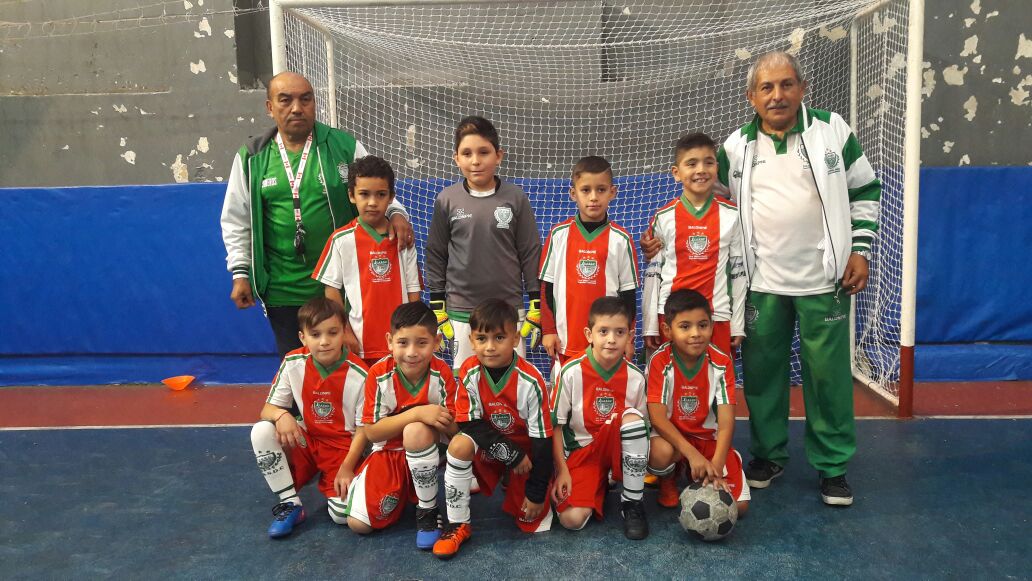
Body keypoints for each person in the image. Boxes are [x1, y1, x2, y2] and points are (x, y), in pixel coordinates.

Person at [643, 52, 881, 506]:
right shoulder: (735, 147)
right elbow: (705, 202)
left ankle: (832, 467)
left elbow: (865, 188)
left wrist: (860, 249)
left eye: (786, 84)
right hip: (760, 284)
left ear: (802, 88)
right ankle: (769, 456)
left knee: (828, 378)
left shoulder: (832, 130)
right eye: (766, 88)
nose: (777, 95)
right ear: (751, 96)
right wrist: (661, 240)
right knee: (762, 377)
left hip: (824, 281)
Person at [221, 71, 415, 359]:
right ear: (270, 107)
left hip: (341, 287)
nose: (296, 108)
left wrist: (397, 213)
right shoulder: (252, 156)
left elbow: (376, 186)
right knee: (297, 369)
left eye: (305, 99)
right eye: (285, 100)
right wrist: (240, 272)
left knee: (346, 368)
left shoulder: (343, 146)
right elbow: (237, 218)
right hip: (282, 288)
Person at [432, 299, 554, 560]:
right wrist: (510, 455)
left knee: (532, 523)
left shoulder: (531, 380)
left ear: (515, 338)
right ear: (471, 341)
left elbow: (543, 441)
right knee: (459, 445)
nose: (489, 346)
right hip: (494, 450)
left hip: (526, 457)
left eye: (499, 337)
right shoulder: (469, 370)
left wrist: (536, 493)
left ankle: (515, 482)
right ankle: (458, 524)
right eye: (481, 338)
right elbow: (469, 423)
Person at [424, 116, 542, 371]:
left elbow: (530, 252)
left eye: (484, 152)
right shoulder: (446, 200)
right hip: (461, 311)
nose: (475, 160)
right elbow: (436, 253)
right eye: (467, 153)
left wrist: (536, 303)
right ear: (456, 158)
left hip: (508, 309)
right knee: (466, 382)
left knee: (512, 383)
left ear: (498, 156)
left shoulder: (516, 198)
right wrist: (437, 306)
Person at [248, 297, 369, 538]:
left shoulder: (361, 374)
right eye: (315, 334)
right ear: (303, 337)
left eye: (332, 332)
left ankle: (339, 478)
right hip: (308, 441)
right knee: (262, 430)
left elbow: (363, 430)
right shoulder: (293, 362)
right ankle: (290, 503)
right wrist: (282, 414)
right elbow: (267, 409)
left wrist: (347, 467)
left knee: (342, 516)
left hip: (342, 448)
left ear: (344, 332)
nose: (324, 341)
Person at [343, 301, 457, 549]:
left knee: (416, 431)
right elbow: (372, 432)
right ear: (389, 341)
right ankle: (404, 491)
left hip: (431, 450)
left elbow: (455, 432)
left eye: (422, 343)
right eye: (403, 342)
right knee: (358, 524)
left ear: (437, 342)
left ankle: (427, 510)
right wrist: (418, 412)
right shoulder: (378, 374)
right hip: (388, 452)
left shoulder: (443, 374)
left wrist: (441, 421)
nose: (412, 352)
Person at [551, 297, 650, 540]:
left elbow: (644, 430)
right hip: (583, 454)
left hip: (619, 451)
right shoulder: (571, 372)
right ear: (589, 334)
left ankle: (632, 503)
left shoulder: (636, 378)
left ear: (630, 336)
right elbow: (555, 426)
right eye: (603, 331)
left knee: (634, 421)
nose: (611, 339)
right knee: (571, 520)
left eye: (620, 332)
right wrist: (561, 470)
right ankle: (601, 482)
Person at [645, 289, 750, 517]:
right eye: (685, 326)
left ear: (712, 326)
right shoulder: (660, 361)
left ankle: (719, 462)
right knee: (659, 452)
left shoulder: (721, 362)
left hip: (707, 439)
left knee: (738, 508)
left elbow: (726, 421)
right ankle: (669, 477)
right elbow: (658, 418)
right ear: (667, 330)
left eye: (702, 325)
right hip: (673, 439)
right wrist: (692, 455)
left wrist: (717, 464)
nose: (695, 333)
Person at [641, 133, 746, 357]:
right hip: (671, 316)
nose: (701, 170)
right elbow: (653, 274)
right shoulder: (663, 217)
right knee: (669, 377)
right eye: (691, 164)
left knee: (715, 377)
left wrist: (737, 323)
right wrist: (650, 324)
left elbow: (738, 272)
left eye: (708, 162)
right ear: (676, 173)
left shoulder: (732, 215)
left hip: (717, 316)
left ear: (717, 168)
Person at [312, 156, 422, 367]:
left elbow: (413, 292)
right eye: (364, 194)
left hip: (401, 344)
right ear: (351, 196)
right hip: (359, 343)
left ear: (391, 197)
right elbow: (332, 290)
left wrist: (413, 334)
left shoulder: (403, 239)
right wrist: (344, 331)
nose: (372, 202)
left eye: (381, 194)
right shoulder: (341, 240)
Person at [538, 156, 639, 372]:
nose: (593, 197)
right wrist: (548, 330)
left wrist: (628, 337)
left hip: (609, 343)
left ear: (612, 192)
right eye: (586, 190)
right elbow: (547, 287)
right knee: (566, 391)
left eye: (601, 190)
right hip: (566, 340)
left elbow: (628, 295)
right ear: (573, 193)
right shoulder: (558, 235)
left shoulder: (621, 239)